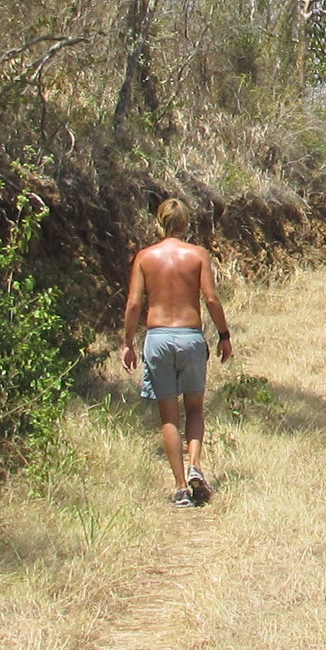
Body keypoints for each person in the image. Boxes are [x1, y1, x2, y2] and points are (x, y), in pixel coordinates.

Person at [119, 197, 232, 507]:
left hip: (157, 337)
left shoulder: (145, 257)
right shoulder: (198, 255)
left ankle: (181, 486)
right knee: (194, 408)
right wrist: (224, 335)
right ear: (186, 224)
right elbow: (211, 299)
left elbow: (133, 304)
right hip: (190, 336)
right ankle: (196, 465)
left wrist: (128, 343)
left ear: (160, 223)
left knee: (168, 416)